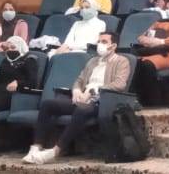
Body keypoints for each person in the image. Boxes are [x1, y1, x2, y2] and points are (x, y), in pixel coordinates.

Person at [25, 32, 132, 164]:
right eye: (99, 41)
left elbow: (120, 84)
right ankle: (36, 148)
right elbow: (80, 80)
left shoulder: (122, 61)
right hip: (83, 98)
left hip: (101, 102)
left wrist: (93, 91)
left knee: (81, 110)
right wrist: (76, 91)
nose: (100, 44)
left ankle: (56, 151)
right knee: (48, 105)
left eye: (104, 42)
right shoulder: (93, 61)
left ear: (113, 46)